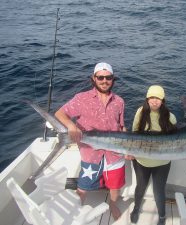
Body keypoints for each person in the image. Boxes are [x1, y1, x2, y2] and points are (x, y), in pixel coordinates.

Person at [55, 62, 126, 220]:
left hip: (115, 154)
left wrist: (128, 149)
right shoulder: (81, 98)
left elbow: (121, 127)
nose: (104, 80)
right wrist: (71, 126)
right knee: (83, 187)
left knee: (115, 186)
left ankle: (113, 205)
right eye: (100, 77)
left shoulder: (119, 101)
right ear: (94, 78)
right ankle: (74, 209)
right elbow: (60, 113)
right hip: (90, 153)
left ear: (113, 79)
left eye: (108, 77)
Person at [129, 85, 177, 225]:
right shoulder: (140, 112)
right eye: (152, 97)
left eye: (158, 98)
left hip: (162, 163)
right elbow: (134, 134)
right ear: (147, 99)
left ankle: (162, 216)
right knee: (140, 187)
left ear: (163, 100)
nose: (154, 101)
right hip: (142, 161)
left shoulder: (171, 117)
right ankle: (136, 209)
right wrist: (131, 152)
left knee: (159, 190)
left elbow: (176, 141)